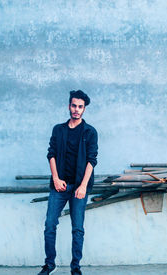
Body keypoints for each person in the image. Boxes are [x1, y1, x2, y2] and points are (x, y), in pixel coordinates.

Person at [38, 90, 98, 275]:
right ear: (69, 106)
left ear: (84, 109)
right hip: (60, 186)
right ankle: (50, 264)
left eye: (80, 107)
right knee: (49, 224)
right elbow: (52, 154)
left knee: (77, 228)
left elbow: (92, 160)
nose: (76, 109)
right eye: (74, 105)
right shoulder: (59, 129)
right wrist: (56, 179)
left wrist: (83, 186)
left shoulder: (90, 132)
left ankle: (75, 267)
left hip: (79, 187)